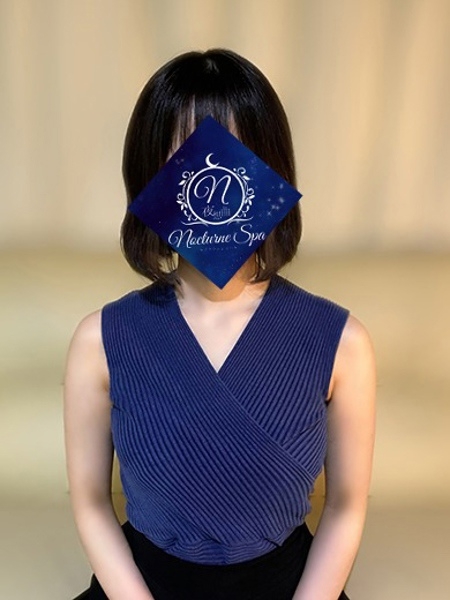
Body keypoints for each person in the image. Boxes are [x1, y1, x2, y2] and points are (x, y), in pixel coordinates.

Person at [64, 48, 376, 600]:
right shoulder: (99, 340)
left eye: (234, 157)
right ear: (150, 178)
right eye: (187, 160)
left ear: (270, 172)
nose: (213, 181)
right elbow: (90, 502)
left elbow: (347, 505)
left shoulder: (343, 342)